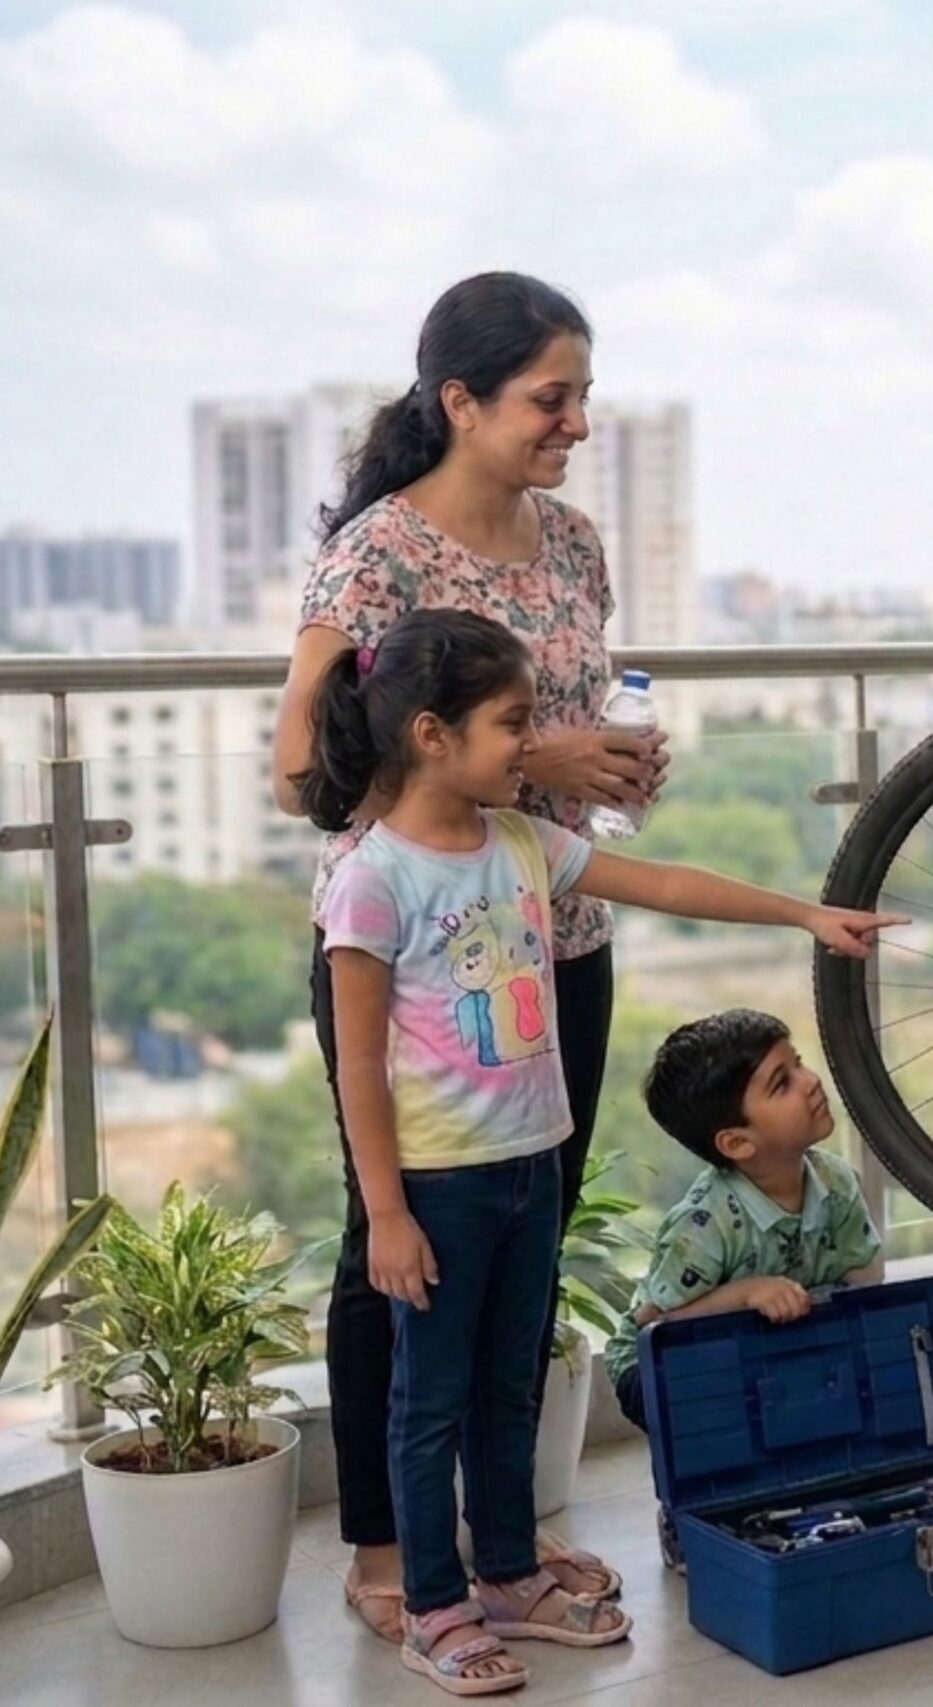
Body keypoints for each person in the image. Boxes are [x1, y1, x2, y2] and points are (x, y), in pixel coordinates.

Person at [300, 607, 900, 1694]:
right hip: (439, 1189)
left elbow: (664, 883)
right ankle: (433, 1603)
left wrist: (806, 916)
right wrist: (385, 1213)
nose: (529, 747)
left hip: (533, 1165)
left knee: (507, 1385)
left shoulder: (523, 842)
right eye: (511, 726)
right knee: (428, 1402)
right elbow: (356, 1072)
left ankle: (512, 1574)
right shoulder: (372, 879)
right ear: (431, 734)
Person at [267, 272, 662, 1637]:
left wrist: (607, 766)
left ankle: (502, 1537)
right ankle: (383, 1546)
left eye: (583, 398)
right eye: (552, 398)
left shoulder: (574, 546)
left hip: (558, 937)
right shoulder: (377, 554)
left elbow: (565, 727)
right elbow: (300, 765)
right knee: (397, 1248)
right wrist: (537, 757)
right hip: (414, 956)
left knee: (526, 1237)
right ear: (460, 401)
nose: (576, 424)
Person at [602, 1009, 885, 1574]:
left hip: (766, 1348)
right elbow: (657, 1328)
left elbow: (864, 1280)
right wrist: (746, 1293)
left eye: (798, 1064)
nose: (809, 1082)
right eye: (782, 1082)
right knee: (709, 1411)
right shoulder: (704, 1225)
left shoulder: (836, 1183)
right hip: (663, 1362)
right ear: (736, 1142)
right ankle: (690, 1509)